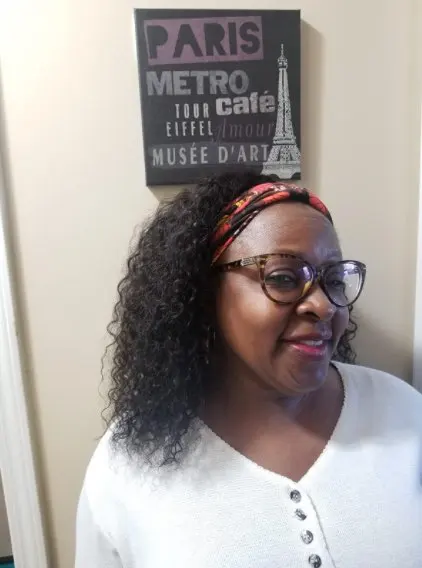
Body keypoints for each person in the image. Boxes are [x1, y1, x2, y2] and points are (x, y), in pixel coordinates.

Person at [75, 171, 422, 568]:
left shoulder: (402, 411)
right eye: (283, 278)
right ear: (205, 292)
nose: (324, 306)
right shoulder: (129, 462)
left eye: (334, 280)